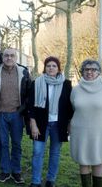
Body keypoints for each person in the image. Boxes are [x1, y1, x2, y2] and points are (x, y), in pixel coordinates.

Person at [27, 56, 73, 187]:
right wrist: (33, 124)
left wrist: (69, 125)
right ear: (45, 68)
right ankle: (35, 181)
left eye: (54, 66)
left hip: (58, 124)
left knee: (55, 153)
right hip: (41, 124)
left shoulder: (66, 84)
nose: (51, 68)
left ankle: (50, 180)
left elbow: (69, 108)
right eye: (48, 66)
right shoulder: (37, 83)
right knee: (37, 152)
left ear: (59, 68)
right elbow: (31, 105)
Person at [70, 59, 102, 187]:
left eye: (93, 69)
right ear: (82, 72)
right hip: (80, 131)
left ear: (99, 72)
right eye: (87, 69)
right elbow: (75, 107)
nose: (90, 72)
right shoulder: (76, 90)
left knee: (98, 161)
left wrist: (101, 120)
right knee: (83, 161)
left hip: (101, 132)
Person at [0, 47, 31, 184]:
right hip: (1, 114)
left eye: (12, 55)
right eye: (6, 55)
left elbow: (29, 94)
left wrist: (22, 110)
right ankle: (5, 171)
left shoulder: (23, 72)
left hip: (17, 115)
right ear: (2, 57)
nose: (9, 58)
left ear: (16, 57)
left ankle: (16, 171)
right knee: (3, 144)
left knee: (17, 144)